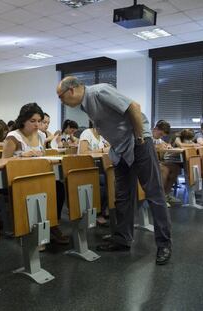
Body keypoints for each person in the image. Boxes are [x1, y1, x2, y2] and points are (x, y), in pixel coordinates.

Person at [57, 76, 172, 265]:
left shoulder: (99, 91)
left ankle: (164, 244)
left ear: (71, 90)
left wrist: (139, 139)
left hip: (138, 143)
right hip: (120, 149)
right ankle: (122, 240)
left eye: (61, 97)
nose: (61, 101)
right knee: (122, 196)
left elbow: (133, 107)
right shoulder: (85, 104)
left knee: (154, 193)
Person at [2, 103, 68, 245]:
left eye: (39, 121)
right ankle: (32, 231)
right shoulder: (13, 136)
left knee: (59, 187)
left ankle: (52, 224)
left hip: (38, 174)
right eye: (33, 121)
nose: (37, 124)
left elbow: (42, 154)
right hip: (20, 178)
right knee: (40, 190)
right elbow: (4, 161)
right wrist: (21, 156)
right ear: (23, 120)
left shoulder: (40, 135)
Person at [152, 120, 181, 207]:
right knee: (164, 169)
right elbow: (145, 146)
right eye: (160, 134)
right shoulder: (147, 136)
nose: (161, 136)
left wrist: (168, 145)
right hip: (147, 163)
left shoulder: (158, 139)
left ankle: (166, 194)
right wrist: (156, 147)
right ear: (155, 129)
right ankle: (159, 197)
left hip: (157, 162)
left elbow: (165, 144)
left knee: (175, 168)